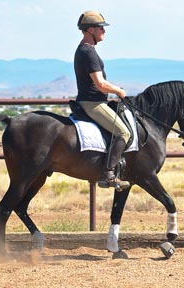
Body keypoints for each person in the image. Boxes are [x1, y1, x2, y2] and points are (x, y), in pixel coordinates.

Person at [74, 11, 131, 190]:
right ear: (90, 30)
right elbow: (100, 84)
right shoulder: (87, 52)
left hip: (93, 101)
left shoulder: (86, 50)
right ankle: (108, 175)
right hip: (93, 103)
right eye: (101, 28)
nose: (104, 32)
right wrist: (119, 91)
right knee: (123, 133)